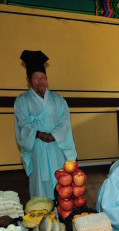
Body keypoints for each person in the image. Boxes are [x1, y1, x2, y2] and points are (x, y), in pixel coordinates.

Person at [14, 50, 77, 198]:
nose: (40, 81)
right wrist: (38, 134)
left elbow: (65, 121)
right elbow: (21, 124)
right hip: (36, 146)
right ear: (28, 80)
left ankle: (61, 207)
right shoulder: (22, 101)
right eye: (36, 77)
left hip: (56, 145)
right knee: (39, 183)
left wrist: (54, 135)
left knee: (61, 179)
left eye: (43, 77)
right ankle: (42, 207)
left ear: (47, 79)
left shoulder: (58, 100)